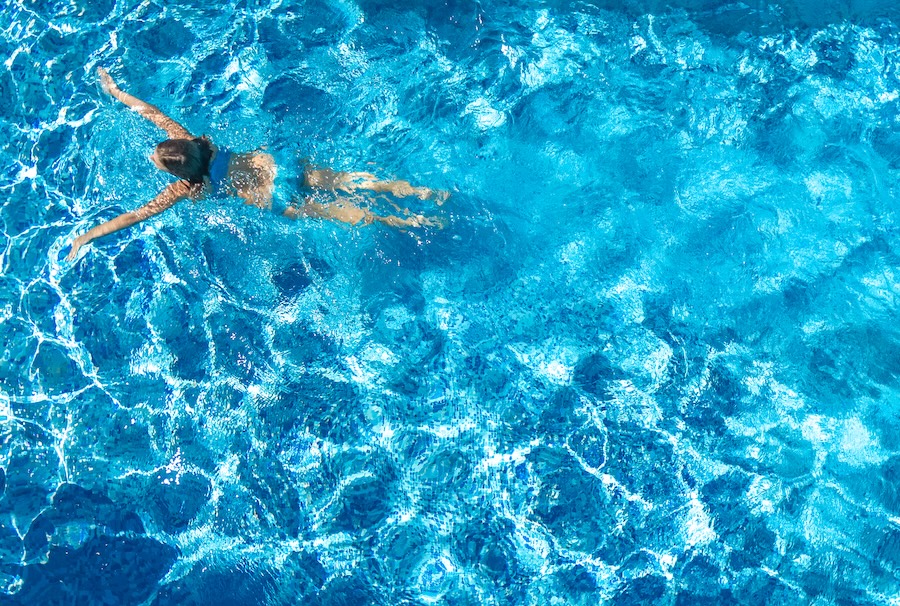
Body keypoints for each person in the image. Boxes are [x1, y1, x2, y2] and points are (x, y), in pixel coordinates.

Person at [67, 68, 446, 261]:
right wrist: (116, 92)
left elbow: (134, 216)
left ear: (179, 174)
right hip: (279, 166)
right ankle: (415, 191)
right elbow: (153, 113)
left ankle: (409, 221)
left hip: (276, 200)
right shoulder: (198, 142)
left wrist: (87, 236)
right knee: (352, 181)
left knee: (342, 213)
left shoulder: (185, 189)